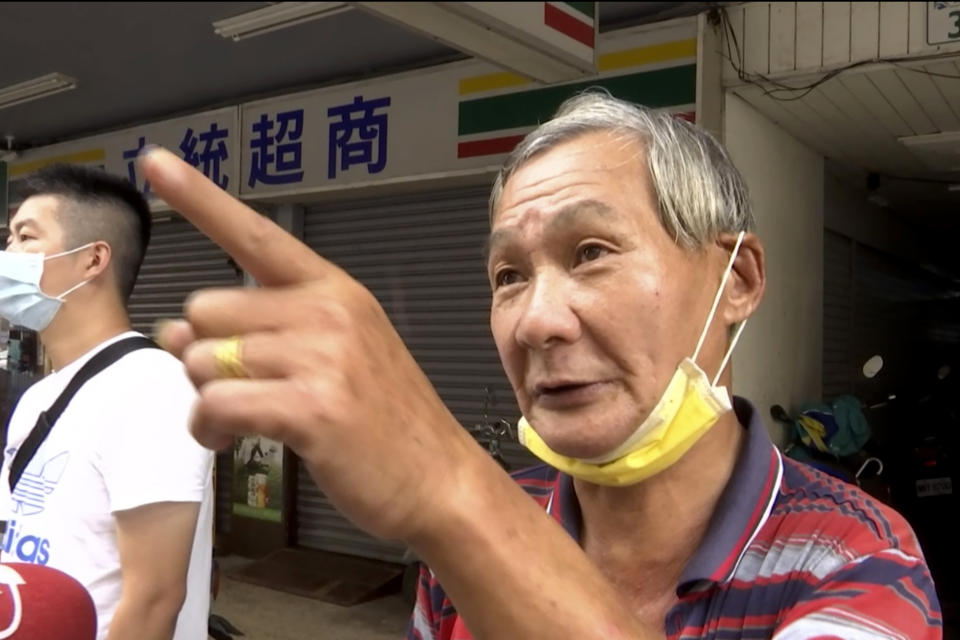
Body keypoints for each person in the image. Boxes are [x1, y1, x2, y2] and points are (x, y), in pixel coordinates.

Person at [140, 91, 940, 639]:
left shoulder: (860, 559)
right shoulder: (473, 540)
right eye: (508, 276)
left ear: (736, 282)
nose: (537, 321)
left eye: (591, 252)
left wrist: (452, 493)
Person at [0, 165, 214, 640]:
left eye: (25, 237)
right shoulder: (40, 395)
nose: (7, 254)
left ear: (93, 260)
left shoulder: (153, 387)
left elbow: (155, 599)